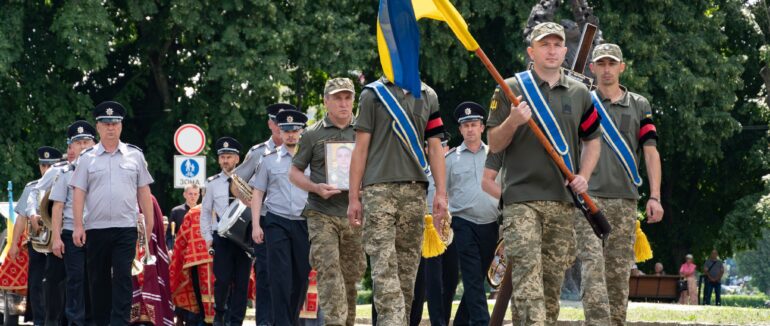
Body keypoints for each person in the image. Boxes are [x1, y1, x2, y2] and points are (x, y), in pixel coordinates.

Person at [485, 22, 602, 325]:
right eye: (544, 45)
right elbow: (494, 143)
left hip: (561, 201)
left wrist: (584, 175)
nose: (551, 50)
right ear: (531, 51)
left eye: (556, 45)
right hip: (520, 199)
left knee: (550, 288)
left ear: (565, 51)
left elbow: (592, 141)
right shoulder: (510, 88)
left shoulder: (580, 93)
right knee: (526, 277)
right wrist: (512, 121)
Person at [347, 74, 448, 325]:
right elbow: (360, 148)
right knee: (384, 270)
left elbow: (435, 147)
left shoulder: (427, 94)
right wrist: (353, 197)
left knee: (406, 276)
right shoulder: (372, 94)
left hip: (415, 193)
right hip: (378, 191)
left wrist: (442, 194)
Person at [577, 43, 664, 325]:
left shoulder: (639, 104)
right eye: (600, 64)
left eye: (611, 64)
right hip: (588, 198)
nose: (606, 69)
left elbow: (650, 152)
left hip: (625, 200)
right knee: (591, 270)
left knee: (617, 277)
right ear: (592, 68)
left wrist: (655, 196)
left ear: (621, 67)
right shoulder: (582, 100)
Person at [288, 78, 365, 326]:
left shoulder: (365, 131)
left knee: (351, 277)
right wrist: (315, 188)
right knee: (329, 272)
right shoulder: (312, 134)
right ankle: (334, 323)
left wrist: (365, 188)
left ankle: (347, 322)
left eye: (348, 97)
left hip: (354, 215)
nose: (343, 103)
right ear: (326, 101)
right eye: (337, 98)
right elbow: (294, 173)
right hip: (321, 213)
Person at [70, 101, 155, 325]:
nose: (111, 127)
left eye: (115, 123)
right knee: (97, 281)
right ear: (97, 127)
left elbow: (144, 192)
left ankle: (119, 322)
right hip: (95, 229)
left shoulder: (134, 156)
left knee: (123, 278)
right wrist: (78, 225)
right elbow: (78, 193)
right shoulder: (87, 158)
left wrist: (150, 224)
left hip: (125, 228)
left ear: (121, 126)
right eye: (106, 123)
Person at [235, 103, 298, 326]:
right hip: (264, 220)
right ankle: (264, 321)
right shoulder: (258, 152)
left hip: (294, 220)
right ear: (272, 124)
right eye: (276, 122)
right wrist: (252, 204)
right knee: (265, 273)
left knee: (292, 274)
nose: (281, 126)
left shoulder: (303, 149)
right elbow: (237, 182)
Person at [250, 109, 311, 325]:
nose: (291, 135)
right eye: (286, 131)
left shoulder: (311, 159)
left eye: (295, 131)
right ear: (280, 132)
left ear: (301, 131)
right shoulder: (268, 160)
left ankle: (290, 320)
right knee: (280, 278)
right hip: (277, 222)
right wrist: (256, 225)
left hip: (305, 224)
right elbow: (257, 193)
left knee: (301, 276)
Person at [444, 102, 500, 325]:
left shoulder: (496, 156)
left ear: (482, 128)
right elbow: (441, 191)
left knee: (477, 278)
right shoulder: (450, 160)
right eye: (465, 125)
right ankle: (481, 322)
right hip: (462, 223)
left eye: (474, 124)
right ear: (460, 130)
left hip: (491, 224)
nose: (470, 129)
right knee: (472, 276)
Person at [6, 146, 62, 326]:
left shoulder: (66, 185)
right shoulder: (32, 187)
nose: (45, 170)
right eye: (43, 166)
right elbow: (21, 218)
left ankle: (58, 319)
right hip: (37, 242)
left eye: (50, 166)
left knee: (58, 282)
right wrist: (14, 243)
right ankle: (39, 320)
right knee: (36, 282)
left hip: (58, 240)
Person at [50, 120, 97, 326]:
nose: (83, 146)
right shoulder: (65, 173)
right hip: (71, 232)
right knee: (75, 279)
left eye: (87, 141)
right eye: (78, 143)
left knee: (96, 280)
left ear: (94, 144)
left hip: (97, 232)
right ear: (72, 147)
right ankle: (75, 321)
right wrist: (56, 238)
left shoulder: (102, 172)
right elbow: (57, 207)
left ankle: (94, 320)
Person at [200, 136, 251, 326]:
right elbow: (205, 212)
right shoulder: (212, 183)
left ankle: (236, 320)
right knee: (221, 280)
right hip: (222, 238)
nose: (225, 161)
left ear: (237, 159)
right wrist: (207, 237)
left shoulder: (248, 180)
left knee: (242, 283)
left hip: (244, 238)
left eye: (229, 157)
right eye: (222, 157)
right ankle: (220, 312)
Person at [409, 134, 458, 326]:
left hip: (450, 230)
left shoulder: (454, 169)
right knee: (432, 283)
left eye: (445, 145)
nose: (443, 150)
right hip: (428, 232)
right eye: (438, 146)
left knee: (451, 279)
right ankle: (436, 322)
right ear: (428, 150)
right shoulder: (421, 172)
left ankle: (444, 320)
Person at [130, 195, 174, 325]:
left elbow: (157, 231)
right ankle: (134, 317)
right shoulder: (123, 196)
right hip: (129, 248)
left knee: (150, 281)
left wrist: (144, 229)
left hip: (148, 250)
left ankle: (149, 318)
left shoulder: (150, 199)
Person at [170, 204, 216, 324]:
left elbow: (181, 241)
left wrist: (180, 259)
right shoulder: (227, 208)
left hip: (197, 261)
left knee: (201, 301)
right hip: (219, 260)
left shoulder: (193, 212)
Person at [168, 184, 200, 250]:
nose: (193, 196)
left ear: (199, 196)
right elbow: (170, 234)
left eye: (195, 194)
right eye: (190, 194)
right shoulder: (176, 211)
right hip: (181, 249)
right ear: (184, 195)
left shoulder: (203, 212)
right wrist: (170, 249)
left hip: (199, 249)